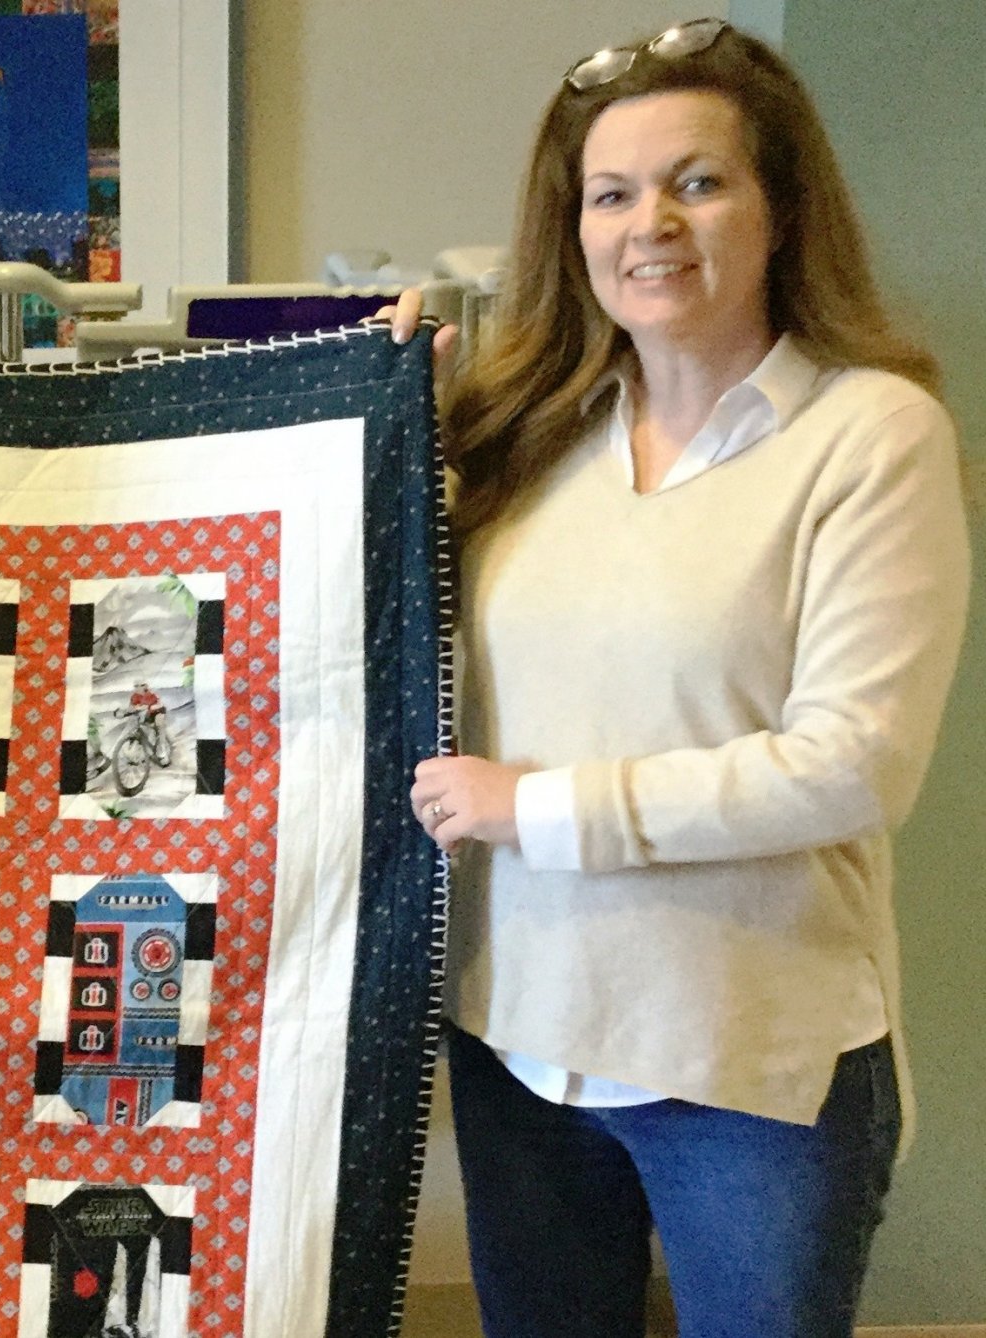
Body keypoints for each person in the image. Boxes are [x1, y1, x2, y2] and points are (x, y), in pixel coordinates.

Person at [391, 20, 969, 1338]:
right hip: (518, 1041)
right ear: (574, 228)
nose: (650, 222)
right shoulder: (528, 441)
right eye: (611, 193)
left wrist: (533, 808)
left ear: (780, 211)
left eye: (698, 181)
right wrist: (377, 422)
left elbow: (852, 764)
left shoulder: (869, 436)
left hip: (744, 1065)